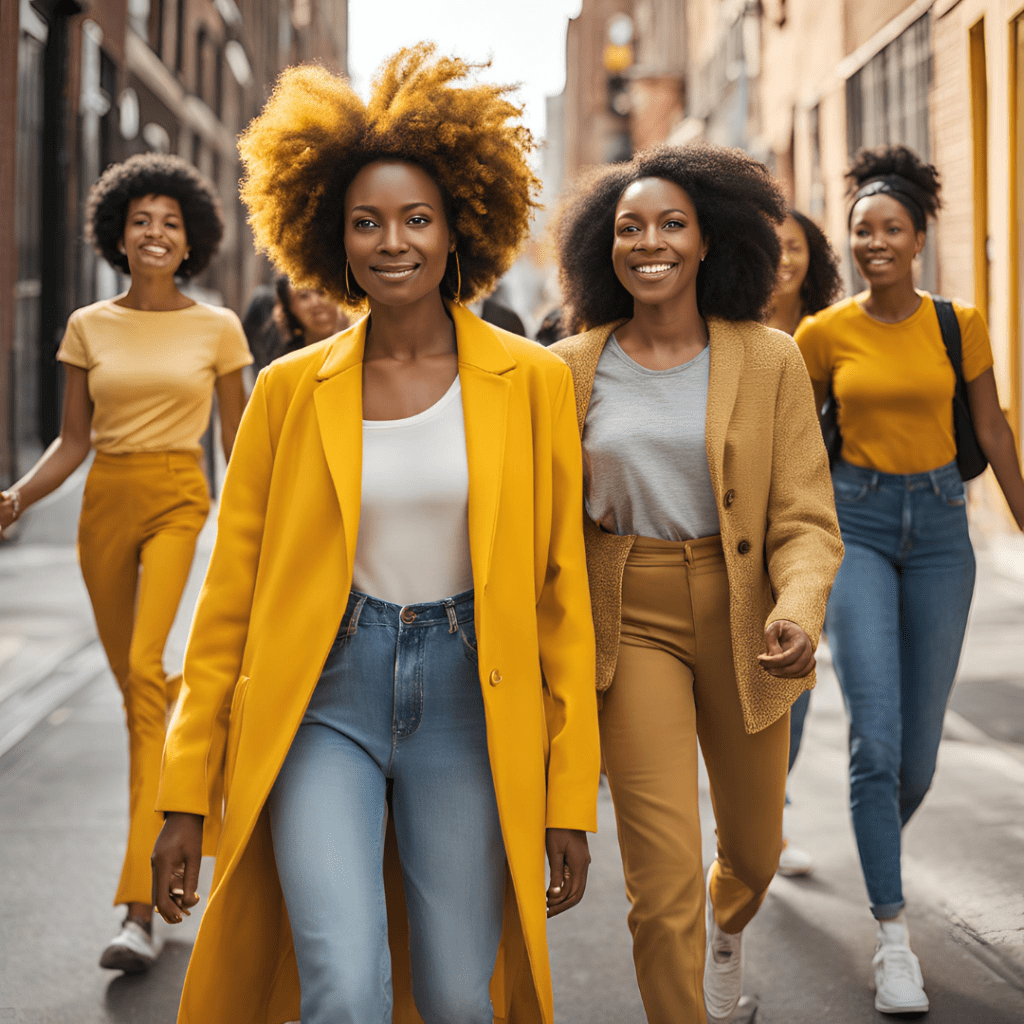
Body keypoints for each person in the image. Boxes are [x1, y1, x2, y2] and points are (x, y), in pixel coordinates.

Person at [150, 45, 600, 1024]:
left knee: (457, 996)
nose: (391, 241)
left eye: (416, 218)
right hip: (323, 699)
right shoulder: (285, 392)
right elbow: (228, 602)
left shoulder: (532, 384)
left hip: (470, 703)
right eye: (366, 221)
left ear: (458, 227)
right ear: (330, 234)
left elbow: (562, 598)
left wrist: (569, 794)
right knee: (343, 988)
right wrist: (183, 790)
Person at [551, 144, 843, 1024]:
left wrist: (798, 610)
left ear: (709, 239)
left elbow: (806, 516)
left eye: (671, 224)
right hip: (628, 614)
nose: (650, 243)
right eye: (629, 227)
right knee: (660, 878)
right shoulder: (567, 368)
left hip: (745, 613)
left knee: (753, 854)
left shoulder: (770, 358)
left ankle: (727, 928)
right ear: (603, 246)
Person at [0, 153, 251, 972]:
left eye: (170, 222)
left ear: (191, 240)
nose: (155, 232)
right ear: (118, 233)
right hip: (105, 504)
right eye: (141, 220)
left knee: (145, 670)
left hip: (180, 497)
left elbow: (240, 446)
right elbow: (73, 442)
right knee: (143, 693)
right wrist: (16, 498)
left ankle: (139, 909)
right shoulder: (87, 326)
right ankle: (195, 745)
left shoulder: (219, 328)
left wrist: (269, 527)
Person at [795, 144, 1024, 1015]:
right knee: (877, 744)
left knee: (917, 763)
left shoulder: (959, 324)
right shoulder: (822, 335)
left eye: (892, 229)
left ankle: (873, 837)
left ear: (919, 237)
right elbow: (796, 445)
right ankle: (893, 936)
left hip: (939, 534)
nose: (876, 242)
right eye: (863, 230)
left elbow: (994, 432)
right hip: (854, 525)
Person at [764, 209, 844, 877]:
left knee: (796, 671)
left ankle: (770, 818)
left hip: (815, 526)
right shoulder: (727, 330)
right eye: (772, 247)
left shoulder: (829, 333)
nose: (784, 258)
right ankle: (753, 819)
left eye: (794, 246)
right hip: (742, 526)